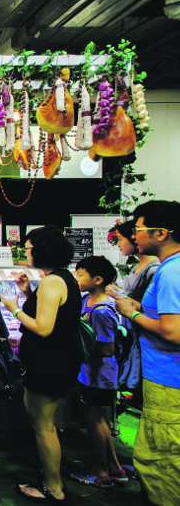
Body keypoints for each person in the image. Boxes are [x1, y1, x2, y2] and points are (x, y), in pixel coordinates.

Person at [0, 225, 81, 503]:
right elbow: (51, 313)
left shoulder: (52, 282)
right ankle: (50, 478)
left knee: (44, 425)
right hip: (56, 362)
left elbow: (43, 328)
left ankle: (52, 486)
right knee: (43, 424)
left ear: (42, 249)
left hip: (49, 364)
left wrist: (15, 308)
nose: (26, 252)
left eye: (29, 247)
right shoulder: (61, 278)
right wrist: (26, 292)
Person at [114, 200, 180, 506]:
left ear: (161, 233)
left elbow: (174, 332)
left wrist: (132, 312)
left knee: (161, 460)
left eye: (138, 229)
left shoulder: (171, 273)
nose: (133, 235)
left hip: (169, 381)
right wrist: (142, 308)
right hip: (164, 378)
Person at [69, 256, 124, 488]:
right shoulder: (87, 300)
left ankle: (100, 473)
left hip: (99, 374)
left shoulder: (101, 311)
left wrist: (81, 350)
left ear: (98, 279)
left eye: (80, 274)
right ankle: (114, 467)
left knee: (95, 421)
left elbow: (107, 348)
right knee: (100, 420)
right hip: (92, 372)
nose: (75, 278)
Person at [107, 220, 159, 401]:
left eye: (120, 239)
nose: (118, 244)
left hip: (146, 337)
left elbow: (152, 307)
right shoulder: (139, 266)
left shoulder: (154, 269)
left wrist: (120, 298)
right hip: (135, 333)